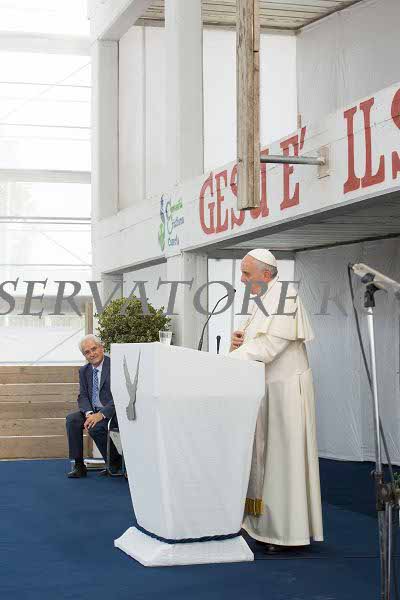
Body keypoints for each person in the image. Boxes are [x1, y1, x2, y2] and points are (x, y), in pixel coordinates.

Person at [230, 249, 323, 552]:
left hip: (286, 393)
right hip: (266, 389)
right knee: (262, 458)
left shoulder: (286, 297)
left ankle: (284, 532)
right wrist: (238, 342)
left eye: (246, 273)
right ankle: (259, 524)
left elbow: (269, 346)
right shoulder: (262, 298)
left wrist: (229, 359)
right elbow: (255, 341)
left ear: (266, 274)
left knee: (282, 461)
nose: (242, 280)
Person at [65, 334, 121, 478]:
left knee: (95, 427)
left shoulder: (115, 366)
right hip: (92, 411)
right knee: (72, 420)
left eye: (94, 349)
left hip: (112, 412)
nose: (92, 354)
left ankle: (114, 462)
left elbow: (120, 396)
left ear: (101, 347)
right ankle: (79, 465)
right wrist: (89, 413)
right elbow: (83, 396)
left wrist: (101, 414)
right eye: (87, 352)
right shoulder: (84, 371)